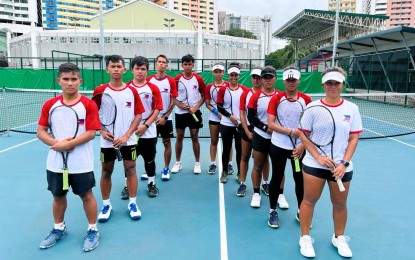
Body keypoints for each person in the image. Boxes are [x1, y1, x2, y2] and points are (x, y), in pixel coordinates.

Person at [298, 66, 362, 258]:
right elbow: (303, 134)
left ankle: (339, 237)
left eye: (337, 82)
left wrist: (344, 163)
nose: (333, 86)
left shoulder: (352, 108)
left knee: (340, 203)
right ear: (323, 85)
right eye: (329, 83)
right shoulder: (312, 107)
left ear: (342, 84)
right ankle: (305, 238)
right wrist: (318, 156)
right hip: (314, 164)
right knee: (309, 200)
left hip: (342, 167)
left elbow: (353, 138)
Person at [37, 63, 101, 251]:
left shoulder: (88, 105)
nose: (70, 83)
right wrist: (56, 144)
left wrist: (68, 144)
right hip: (56, 163)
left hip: (81, 163)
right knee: (58, 196)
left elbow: (91, 133)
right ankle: (59, 229)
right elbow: (41, 131)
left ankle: (92, 229)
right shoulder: (50, 105)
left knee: (86, 195)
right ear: (59, 81)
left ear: (80, 81)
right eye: (66, 79)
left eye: (74, 79)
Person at [94, 55, 144, 222]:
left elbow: (138, 115)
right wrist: (101, 131)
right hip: (107, 141)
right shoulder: (100, 90)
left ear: (124, 70)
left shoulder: (132, 91)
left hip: (127, 141)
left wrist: (126, 136)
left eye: (119, 66)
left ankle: (132, 203)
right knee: (106, 171)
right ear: (107, 69)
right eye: (112, 66)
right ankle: (106, 204)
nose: (116, 69)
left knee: (131, 169)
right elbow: (93, 115)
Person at [266, 66, 312, 228]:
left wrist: (301, 146)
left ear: (299, 80)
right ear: (283, 81)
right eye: (288, 80)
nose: (291, 82)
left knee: (299, 179)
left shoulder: (306, 100)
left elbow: (309, 126)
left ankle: (301, 211)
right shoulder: (276, 99)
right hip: (278, 145)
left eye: (294, 80)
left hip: (298, 150)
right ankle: (272, 210)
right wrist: (291, 131)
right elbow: (270, 123)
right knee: (276, 177)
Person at [127, 56, 163, 198]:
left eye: (143, 69)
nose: (140, 72)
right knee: (129, 162)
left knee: (149, 159)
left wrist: (146, 125)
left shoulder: (153, 88)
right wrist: (132, 129)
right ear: (132, 70)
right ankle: (127, 185)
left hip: (149, 132)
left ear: (147, 71)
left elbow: (157, 109)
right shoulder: (127, 88)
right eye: (137, 68)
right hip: (130, 133)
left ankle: (151, 183)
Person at [247, 66, 279, 208]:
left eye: (270, 77)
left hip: (278, 139)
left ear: (275, 78)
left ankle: (280, 195)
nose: (267, 80)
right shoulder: (255, 96)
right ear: (261, 79)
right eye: (264, 77)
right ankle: (256, 193)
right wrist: (266, 128)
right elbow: (251, 117)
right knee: (258, 166)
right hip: (260, 136)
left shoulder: (281, 96)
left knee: (278, 168)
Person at [237, 68, 270, 197]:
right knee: (244, 157)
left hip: (263, 132)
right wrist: (246, 130)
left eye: (258, 77)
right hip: (248, 130)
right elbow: (242, 112)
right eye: (253, 77)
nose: (256, 80)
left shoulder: (268, 94)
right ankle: (243, 184)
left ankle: (265, 183)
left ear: (262, 79)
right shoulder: (245, 94)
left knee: (264, 159)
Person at [171, 54, 205, 174]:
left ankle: (197, 164)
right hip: (180, 113)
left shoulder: (198, 79)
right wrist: (179, 105)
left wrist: (196, 107)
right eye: (185, 64)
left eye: (189, 64)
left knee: (194, 137)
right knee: (179, 136)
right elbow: (173, 97)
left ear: (193, 65)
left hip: (194, 113)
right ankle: (178, 163)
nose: (187, 66)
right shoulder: (177, 79)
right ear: (182, 65)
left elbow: (204, 96)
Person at [146, 54, 177, 181]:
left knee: (166, 143)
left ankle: (166, 168)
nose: (161, 64)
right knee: (150, 146)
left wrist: (165, 116)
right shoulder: (148, 80)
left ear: (167, 65)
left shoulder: (170, 81)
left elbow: (173, 100)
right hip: (151, 120)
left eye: (164, 62)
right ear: (156, 64)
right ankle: (150, 170)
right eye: (159, 62)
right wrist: (152, 118)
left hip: (166, 119)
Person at [216, 62, 247, 183]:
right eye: (231, 75)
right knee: (227, 148)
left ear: (239, 75)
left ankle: (240, 173)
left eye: (236, 75)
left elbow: (245, 108)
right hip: (226, 124)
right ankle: (224, 171)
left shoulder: (244, 90)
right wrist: (230, 116)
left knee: (240, 150)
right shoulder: (223, 89)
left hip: (240, 126)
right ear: (228, 75)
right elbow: (219, 107)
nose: (233, 77)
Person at [204, 62, 234, 175]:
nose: (218, 74)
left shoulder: (228, 86)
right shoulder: (209, 87)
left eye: (220, 72)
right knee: (214, 141)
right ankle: (212, 163)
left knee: (228, 143)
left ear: (223, 73)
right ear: (213, 73)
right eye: (216, 72)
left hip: (228, 120)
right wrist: (218, 113)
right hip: (214, 119)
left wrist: (226, 115)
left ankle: (229, 164)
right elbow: (208, 104)